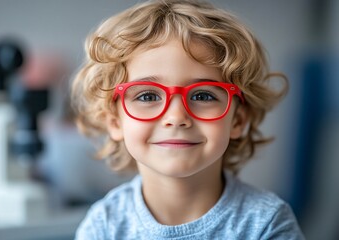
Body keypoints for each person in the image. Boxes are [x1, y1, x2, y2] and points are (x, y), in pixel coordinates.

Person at [71, 0, 304, 239]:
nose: (176, 117)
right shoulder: (104, 225)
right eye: (148, 95)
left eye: (203, 95)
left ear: (238, 120)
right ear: (115, 122)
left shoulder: (266, 223)